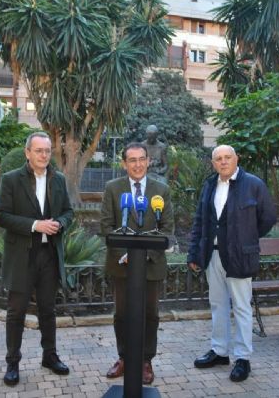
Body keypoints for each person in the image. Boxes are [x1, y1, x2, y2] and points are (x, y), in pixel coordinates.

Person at [187, 145, 276, 382]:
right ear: (213, 163)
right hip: (212, 255)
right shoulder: (209, 185)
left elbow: (268, 218)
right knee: (217, 305)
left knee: (241, 307)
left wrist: (246, 237)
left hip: (239, 256)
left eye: (228, 157)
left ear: (237, 159)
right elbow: (199, 221)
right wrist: (194, 253)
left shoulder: (253, 184)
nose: (223, 162)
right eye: (218, 159)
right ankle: (219, 351)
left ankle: (243, 358)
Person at [0, 131, 74, 386]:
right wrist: (35, 225)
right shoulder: (11, 180)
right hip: (22, 256)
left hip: (49, 255)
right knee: (15, 313)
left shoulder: (58, 180)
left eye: (48, 151)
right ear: (27, 153)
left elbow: (69, 212)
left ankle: (49, 356)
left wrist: (59, 223)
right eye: (39, 151)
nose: (44, 155)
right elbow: (1, 216)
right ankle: (12, 363)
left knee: (48, 311)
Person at [100, 142, 174, 385]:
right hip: (120, 265)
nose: (138, 164)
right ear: (124, 164)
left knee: (150, 315)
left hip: (151, 265)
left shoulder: (161, 190)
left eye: (142, 159)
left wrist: (143, 255)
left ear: (148, 161)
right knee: (121, 314)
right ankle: (124, 358)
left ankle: (145, 361)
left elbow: (166, 229)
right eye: (132, 160)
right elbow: (107, 226)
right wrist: (127, 254)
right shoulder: (113, 188)